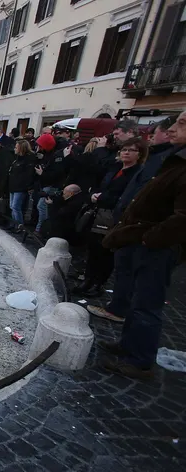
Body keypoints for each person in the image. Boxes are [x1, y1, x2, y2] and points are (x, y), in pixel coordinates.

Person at [97, 110, 186, 380]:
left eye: (181, 123)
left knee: (147, 304)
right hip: (145, 243)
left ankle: (140, 361)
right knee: (138, 300)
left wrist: (149, 239)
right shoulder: (173, 159)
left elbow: (182, 218)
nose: (171, 129)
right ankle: (128, 346)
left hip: (157, 248)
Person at [74, 137, 146, 298]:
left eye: (131, 150)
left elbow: (126, 197)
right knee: (93, 248)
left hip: (114, 216)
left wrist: (101, 198)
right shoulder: (114, 168)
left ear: (139, 154)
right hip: (98, 213)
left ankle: (98, 283)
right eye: (124, 150)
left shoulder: (137, 174)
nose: (126, 153)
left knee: (106, 252)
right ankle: (88, 279)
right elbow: (99, 183)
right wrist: (94, 195)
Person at [7, 139, 36, 231]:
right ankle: (14, 223)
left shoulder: (28, 159)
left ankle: (20, 226)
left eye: (16, 147)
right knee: (12, 206)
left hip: (21, 187)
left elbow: (29, 174)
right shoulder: (17, 159)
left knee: (16, 207)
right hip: (13, 186)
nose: (14, 149)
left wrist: (29, 186)